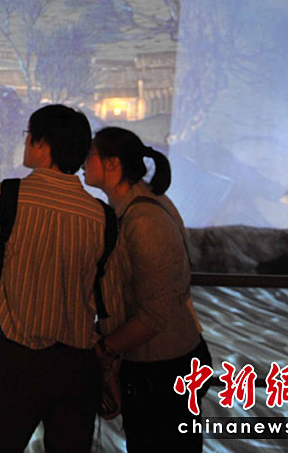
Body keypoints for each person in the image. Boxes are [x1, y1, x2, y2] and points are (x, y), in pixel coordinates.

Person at [0, 104, 120, 452]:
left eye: (29, 135)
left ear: (43, 144)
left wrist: (11, 278)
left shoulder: (5, 197)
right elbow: (104, 296)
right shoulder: (102, 217)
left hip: (17, 360)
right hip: (76, 364)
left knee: (4, 446)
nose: (26, 142)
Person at [83, 126, 209, 452]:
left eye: (90, 154)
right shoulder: (142, 205)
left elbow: (153, 315)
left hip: (162, 368)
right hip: (164, 363)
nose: (83, 161)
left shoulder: (143, 221)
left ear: (112, 163)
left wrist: (104, 349)